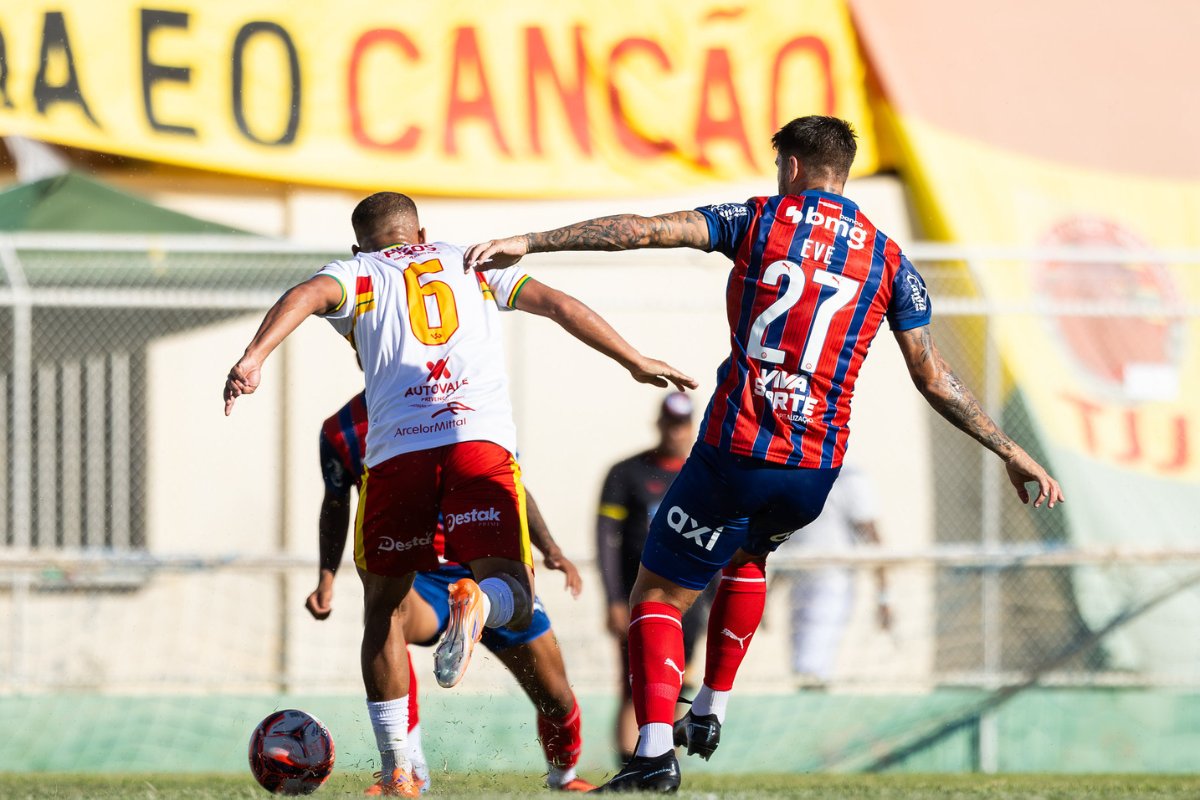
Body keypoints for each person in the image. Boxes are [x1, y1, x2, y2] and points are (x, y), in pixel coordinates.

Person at [465, 115, 1063, 793]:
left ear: (795, 167)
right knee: (750, 554)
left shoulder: (760, 219)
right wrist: (1009, 450)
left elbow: (642, 231)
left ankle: (654, 754)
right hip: (813, 473)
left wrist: (533, 240)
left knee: (657, 594)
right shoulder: (889, 257)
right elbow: (933, 376)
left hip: (738, 452)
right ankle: (713, 706)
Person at [223, 191, 696, 796]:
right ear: (422, 229)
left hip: (396, 456)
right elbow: (556, 303)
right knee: (516, 595)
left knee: (381, 614)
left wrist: (254, 357)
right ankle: (484, 608)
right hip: (476, 440)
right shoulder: (468, 262)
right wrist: (631, 358)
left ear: (356, 246)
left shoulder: (356, 273)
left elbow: (306, 295)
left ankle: (402, 768)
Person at [306, 392, 595, 792]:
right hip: (420, 573)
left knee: (556, 697)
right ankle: (410, 770)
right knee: (390, 613)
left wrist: (552, 550)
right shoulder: (341, 432)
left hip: (485, 566)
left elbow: (509, 484)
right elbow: (335, 503)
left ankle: (564, 777)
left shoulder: (470, 402)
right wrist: (326, 575)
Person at [596, 391, 716, 764]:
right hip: (640, 597)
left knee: (680, 681)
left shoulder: (705, 475)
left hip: (691, 599)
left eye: (682, 425)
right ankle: (629, 760)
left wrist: (719, 598)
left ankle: (662, 757)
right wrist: (614, 598)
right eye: (670, 423)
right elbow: (606, 539)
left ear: (690, 427)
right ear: (659, 423)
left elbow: (722, 538)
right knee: (635, 682)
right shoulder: (627, 472)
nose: (675, 432)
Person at [772, 464, 890, 684]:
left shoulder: (849, 477)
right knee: (800, 667)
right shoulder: (793, 473)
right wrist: (770, 594)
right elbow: (785, 539)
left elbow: (871, 534)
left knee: (814, 668)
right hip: (798, 583)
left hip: (832, 582)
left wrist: (884, 595)